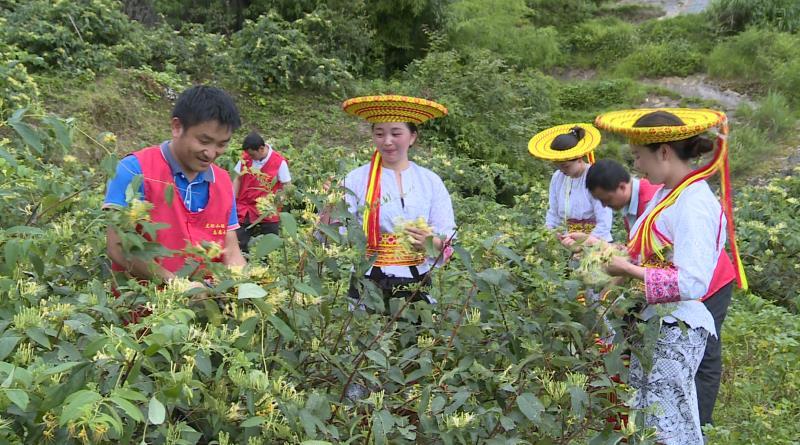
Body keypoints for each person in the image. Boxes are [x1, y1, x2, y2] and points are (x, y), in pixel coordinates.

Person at [571, 108, 748, 445]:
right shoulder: (669, 194)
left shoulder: (694, 202)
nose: (637, 165)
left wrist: (625, 269)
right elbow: (644, 253)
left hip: (678, 328)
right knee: (655, 416)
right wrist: (600, 249)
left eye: (639, 156)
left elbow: (692, 281)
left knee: (664, 421)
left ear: (664, 152)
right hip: (657, 324)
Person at [104, 85, 246, 288]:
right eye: (204, 140)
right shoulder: (135, 170)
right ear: (177, 127)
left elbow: (231, 251)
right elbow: (118, 247)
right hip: (143, 311)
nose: (211, 153)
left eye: (222, 144)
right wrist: (177, 285)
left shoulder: (222, 181)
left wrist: (246, 287)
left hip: (205, 309)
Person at [340, 95, 455, 307]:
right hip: (368, 278)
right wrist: (330, 206)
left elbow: (446, 232)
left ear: (412, 137)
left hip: (416, 280)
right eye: (380, 133)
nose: (387, 141)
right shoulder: (355, 179)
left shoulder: (429, 181)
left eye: (396, 133)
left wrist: (432, 242)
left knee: (415, 335)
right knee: (365, 335)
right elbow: (336, 232)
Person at [528, 123, 613, 242]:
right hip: (569, 242)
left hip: (597, 244)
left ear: (579, 159)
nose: (562, 171)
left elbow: (604, 221)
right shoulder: (558, 177)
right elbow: (553, 212)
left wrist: (587, 242)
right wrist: (549, 232)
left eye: (566, 166)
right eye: (558, 166)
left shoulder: (596, 178)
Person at [233, 131, 291, 253]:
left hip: (267, 209)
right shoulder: (246, 158)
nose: (250, 157)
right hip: (245, 205)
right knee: (238, 241)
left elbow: (287, 186)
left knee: (270, 245)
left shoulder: (279, 162)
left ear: (261, 149)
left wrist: (276, 204)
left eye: (252, 154)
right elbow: (238, 178)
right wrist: (232, 200)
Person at [585, 158, 662, 236]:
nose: (604, 205)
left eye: (606, 199)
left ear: (622, 187)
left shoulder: (652, 202)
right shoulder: (629, 201)